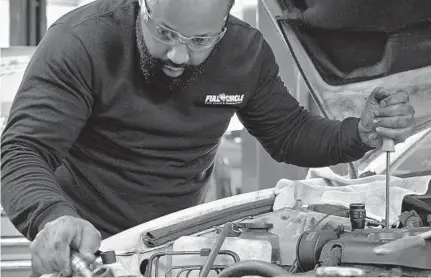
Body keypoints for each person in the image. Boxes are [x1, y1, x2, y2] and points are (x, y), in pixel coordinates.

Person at [0, 0, 415, 276]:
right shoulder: (82, 41)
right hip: (83, 244)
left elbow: (290, 134)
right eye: (164, 34)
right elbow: (22, 150)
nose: (179, 55)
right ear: (143, 7)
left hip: (179, 243)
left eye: (199, 42)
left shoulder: (244, 52)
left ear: (224, 26)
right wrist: (53, 218)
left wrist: (358, 132)